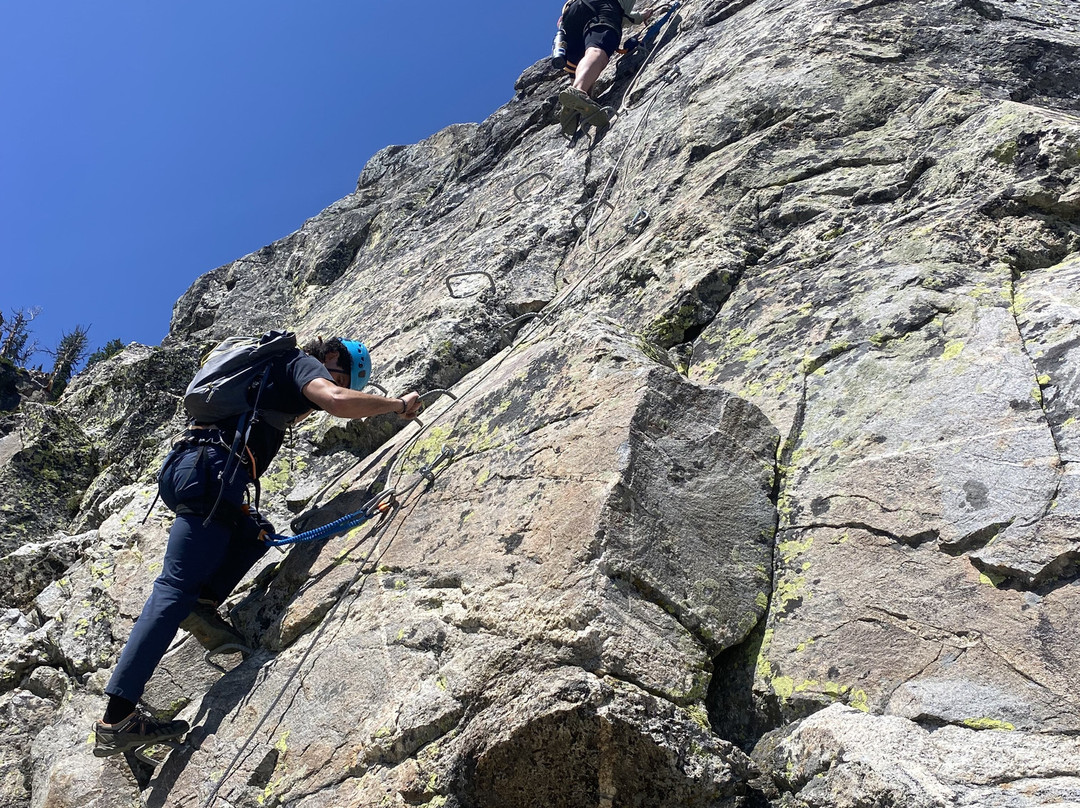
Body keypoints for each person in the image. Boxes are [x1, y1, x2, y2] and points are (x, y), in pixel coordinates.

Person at [93, 336, 422, 757]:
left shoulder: (266, 373)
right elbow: (337, 401)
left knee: (256, 532)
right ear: (333, 357)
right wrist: (396, 405)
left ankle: (203, 603)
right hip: (212, 476)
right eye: (341, 374)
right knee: (173, 589)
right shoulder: (300, 364)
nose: (330, 383)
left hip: (193, 471)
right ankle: (117, 718)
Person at [557, 0, 660, 133]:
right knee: (597, 50)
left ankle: (575, 109)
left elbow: (625, 16)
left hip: (570, 17)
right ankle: (578, 92)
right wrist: (641, 16)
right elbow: (621, 13)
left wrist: (640, 16)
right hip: (602, 6)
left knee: (584, 62)